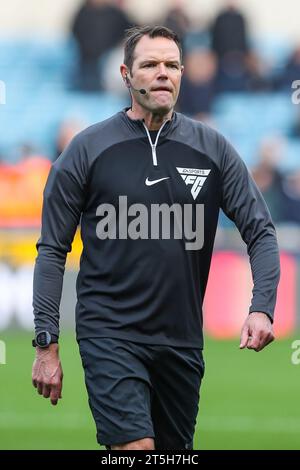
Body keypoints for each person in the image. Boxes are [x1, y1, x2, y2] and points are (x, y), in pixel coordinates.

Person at [32, 25, 280, 451]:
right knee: (136, 451)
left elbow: (261, 230)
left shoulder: (213, 150)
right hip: (108, 333)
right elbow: (52, 250)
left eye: (172, 65)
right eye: (150, 64)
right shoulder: (86, 150)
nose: (163, 73)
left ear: (183, 73)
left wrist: (262, 308)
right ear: (127, 75)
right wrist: (46, 344)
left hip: (181, 340)